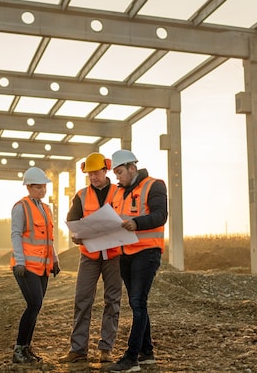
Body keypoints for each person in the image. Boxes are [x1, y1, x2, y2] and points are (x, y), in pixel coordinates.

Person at [105, 149, 168, 373]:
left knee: (138, 302)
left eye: (120, 172)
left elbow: (161, 215)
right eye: (115, 174)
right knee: (136, 303)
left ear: (132, 168)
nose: (117, 178)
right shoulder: (118, 193)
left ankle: (131, 358)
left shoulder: (154, 185)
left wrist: (137, 223)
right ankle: (147, 353)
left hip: (147, 253)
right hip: (126, 254)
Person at [59, 152, 122, 364]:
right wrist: (77, 236)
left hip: (114, 255)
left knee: (112, 301)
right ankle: (78, 350)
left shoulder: (120, 192)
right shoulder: (81, 195)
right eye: (89, 174)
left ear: (106, 170)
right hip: (89, 254)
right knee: (82, 299)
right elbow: (72, 220)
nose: (93, 177)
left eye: (96, 173)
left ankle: (106, 349)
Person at [10, 166, 60, 364]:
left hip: (43, 266)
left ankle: (26, 348)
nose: (43, 190)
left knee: (36, 307)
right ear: (29, 187)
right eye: (38, 187)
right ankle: (19, 350)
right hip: (25, 267)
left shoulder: (46, 209)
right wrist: (20, 261)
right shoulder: (20, 207)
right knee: (34, 304)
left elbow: (49, 238)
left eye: (44, 187)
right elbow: (15, 234)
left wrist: (54, 259)